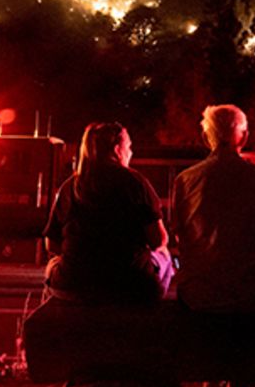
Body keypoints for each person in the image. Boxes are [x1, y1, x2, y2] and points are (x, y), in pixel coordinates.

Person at [171, 105, 255, 387]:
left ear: (207, 136)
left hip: (198, 293)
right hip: (247, 294)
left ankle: (215, 380)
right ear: (242, 136)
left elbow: (180, 237)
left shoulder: (185, 180)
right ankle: (238, 384)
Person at [43, 122, 172, 303]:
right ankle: (151, 311)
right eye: (129, 146)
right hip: (131, 285)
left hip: (74, 284)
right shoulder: (136, 183)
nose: (131, 152)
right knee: (165, 255)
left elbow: (52, 245)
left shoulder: (70, 188)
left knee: (52, 266)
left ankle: (55, 322)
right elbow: (158, 240)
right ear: (117, 149)